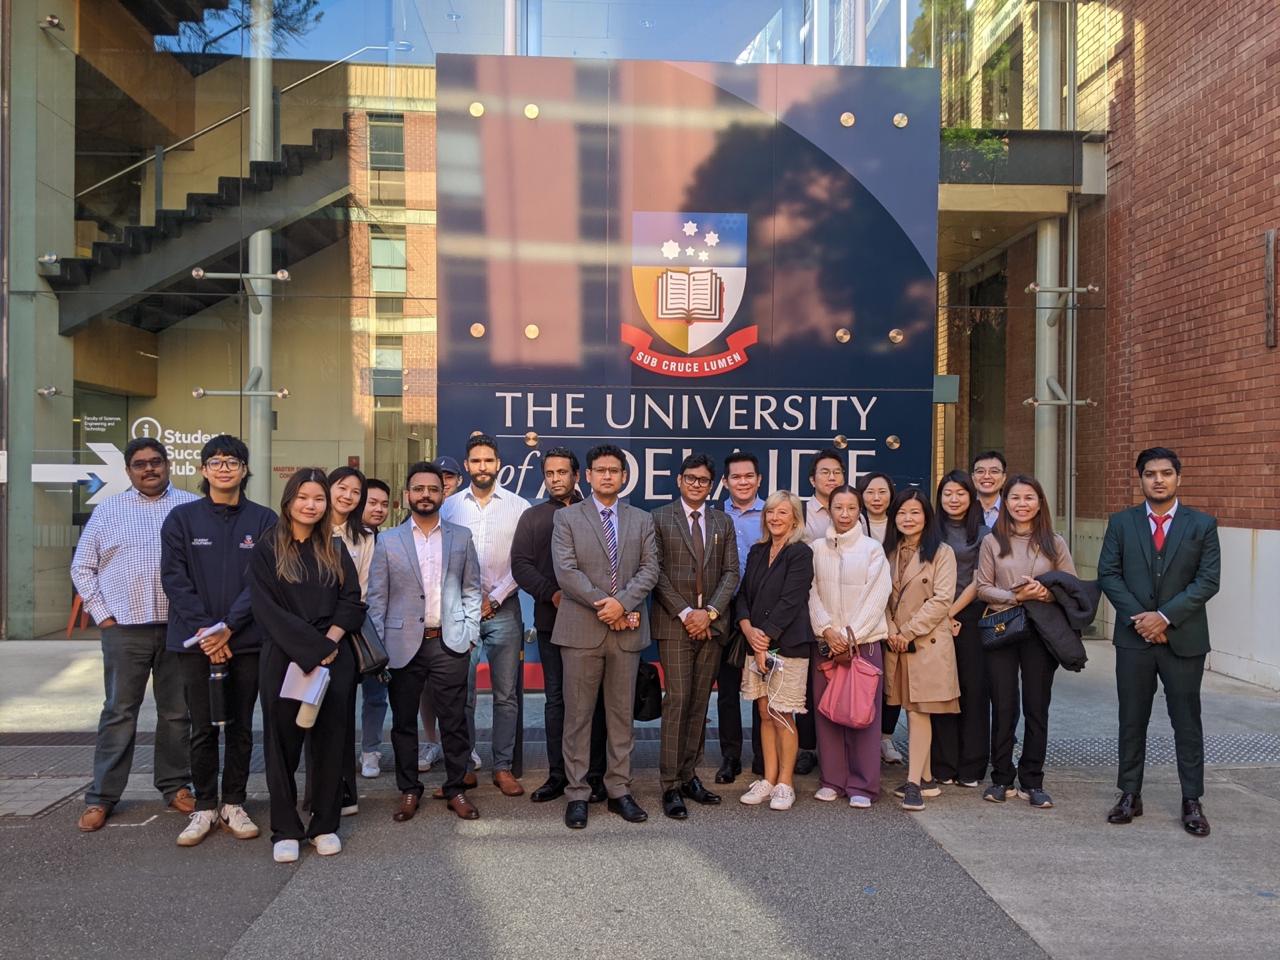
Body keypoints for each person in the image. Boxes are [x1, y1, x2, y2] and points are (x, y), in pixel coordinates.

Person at [71, 438, 198, 833]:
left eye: (156, 462)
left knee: (177, 713)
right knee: (119, 713)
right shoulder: (108, 510)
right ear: (128, 471)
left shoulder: (191, 507)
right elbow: (81, 568)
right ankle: (102, 796)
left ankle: (176, 785)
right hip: (124, 630)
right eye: (140, 464)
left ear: (168, 464)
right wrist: (104, 616)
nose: (149, 469)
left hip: (178, 630)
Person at [1098, 448, 1220, 837]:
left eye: (1166, 473)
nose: (1158, 480)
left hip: (1183, 638)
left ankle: (1192, 800)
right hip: (1134, 640)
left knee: (1187, 721)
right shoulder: (1121, 522)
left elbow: (1207, 581)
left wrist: (1164, 617)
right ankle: (1129, 794)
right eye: (1150, 473)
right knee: (1132, 719)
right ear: (1140, 479)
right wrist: (1143, 620)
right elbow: (1109, 574)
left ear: (1178, 478)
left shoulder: (1202, 525)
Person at [161, 435, 276, 847]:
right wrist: (209, 632)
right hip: (195, 641)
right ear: (203, 469)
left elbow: (262, 581)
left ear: (245, 470)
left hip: (246, 639)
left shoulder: (264, 520)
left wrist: (229, 627)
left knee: (242, 725)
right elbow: (174, 579)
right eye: (216, 460)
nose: (224, 467)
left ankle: (234, 802)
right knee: (202, 726)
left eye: (233, 461)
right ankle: (205, 805)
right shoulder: (181, 518)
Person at [249, 469, 366, 863]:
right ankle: (285, 828)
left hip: (335, 656)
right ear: (288, 500)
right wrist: (312, 648)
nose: (311, 505)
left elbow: (352, 601)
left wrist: (329, 641)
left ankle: (324, 824)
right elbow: (266, 609)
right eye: (303, 497)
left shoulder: (335, 548)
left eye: (318, 498)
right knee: (282, 744)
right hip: (284, 656)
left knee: (332, 742)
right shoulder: (268, 548)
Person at [367, 462, 482, 823]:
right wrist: (382, 647)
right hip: (402, 646)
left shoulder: (461, 537)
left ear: (442, 493)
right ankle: (408, 790)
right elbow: (377, 600)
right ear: (408, 495)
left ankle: (455, 789)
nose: (426, 495)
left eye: (433, 489)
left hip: (449, 643)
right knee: (403, 722)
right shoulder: (387, 540)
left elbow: (472, 589)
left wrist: (469, 632)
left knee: (454, 720)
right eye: (419, 489)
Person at [552, 444, 660, 830]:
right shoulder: (567, 519)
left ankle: (619, 790)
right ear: (587, 476)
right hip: (582, 630)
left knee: (620, 717)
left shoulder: (641, 520)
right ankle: (578, 793)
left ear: (624, 477)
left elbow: (650, 569)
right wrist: (607, 604)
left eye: (614, 470)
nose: (608, 476)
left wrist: (623, 603)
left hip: (626, 632)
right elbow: (566, 572)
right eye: (600, 470)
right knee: (578, 718)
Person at [510, 447, 608, 803]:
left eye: (562, 473)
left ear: (577, 475)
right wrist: (550, 594)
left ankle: (595, 776)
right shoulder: (533, 517)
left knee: (594, 702)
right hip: (553, 622)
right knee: (557, 701)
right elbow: (520, 565)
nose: (555, 479)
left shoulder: (595, 513)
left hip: (595, 623)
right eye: (549, 474)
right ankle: (558, 775)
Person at [975, 473, 1076, 808]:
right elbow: (981, 586)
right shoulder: (993, 541)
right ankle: (1001, 776)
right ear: (1007, 504)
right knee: (1004, 706)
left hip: (1041, 632)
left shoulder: (1054, 542)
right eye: (1015, 498)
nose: (1022, 504)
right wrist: (1015, 596)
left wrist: (1045, 592)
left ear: (1039, 502)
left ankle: (1033, 779)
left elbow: (1071, 585)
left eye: (1028, 498)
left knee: (1037, 705)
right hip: (1003, 628)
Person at [440, 434, 531, 796]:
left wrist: (493, 597)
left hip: (504, 610)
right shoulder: (449, 508)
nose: (482, 467)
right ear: (467, 466)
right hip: (461, 612)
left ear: (498, 465)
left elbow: (524, 562)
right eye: (476, 461)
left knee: (506, 695)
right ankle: (463, 766)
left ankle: (503, 767)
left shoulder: (518, 506)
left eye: (488, 461)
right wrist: (467, 600)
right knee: (462, 694)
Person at [651, 453, 740, 819]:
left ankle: (690, 776)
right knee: (678, 701)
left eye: (703, 480)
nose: (696, 485)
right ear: (679, 480)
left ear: (712, 484)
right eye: (690, 478)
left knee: (700, 703)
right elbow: (655, 573)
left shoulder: (723, 521)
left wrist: (710, 614)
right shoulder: (659, 518)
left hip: (713, 625)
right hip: (676, 624)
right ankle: (670, 784)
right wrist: (688, 613)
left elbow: (732, 572)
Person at [807, 485, 892, 808]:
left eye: (851, 508)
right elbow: (810, 592)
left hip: (864, 644)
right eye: (838, 508)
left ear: (860, 511)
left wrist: (850, 635)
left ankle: (863, 785)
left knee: (862, 715)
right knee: (827, 713)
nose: (844, 514)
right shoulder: (816, 548)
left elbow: (877, 596)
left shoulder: (872, 550)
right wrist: (827, 630)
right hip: (826, 643)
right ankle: (832, 780)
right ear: (829, 510)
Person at [735, 491, 815, 812]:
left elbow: (790, 602)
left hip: (788, 646)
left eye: (783, 513)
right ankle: (767, 780)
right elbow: (743, 596)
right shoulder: (757, 552)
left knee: (783, 715)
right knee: (764, 713)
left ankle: (785, 783)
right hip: (755, 643)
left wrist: (763, 639)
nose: (775, 518)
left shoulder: (801, 553)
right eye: (770, 512)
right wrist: (747, 630)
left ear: (795, 518)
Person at [883, 489, 960, 811]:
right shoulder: (886, 551)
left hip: (925, 642)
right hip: (895, 642)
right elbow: (879, 596)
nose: (908, 519)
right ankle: (926, 777)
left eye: (915, 512)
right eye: (902, 513)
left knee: (919, 711)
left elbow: (942, 600)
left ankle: (913, 783)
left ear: (927, 517)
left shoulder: (942, 552)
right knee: (908, 707)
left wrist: (908, 631)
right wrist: (890, 630)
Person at [930, 470, 991, 788]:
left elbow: (980, 580)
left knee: (972, 690)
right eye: (947, 493)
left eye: (960, 493)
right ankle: (943, 764)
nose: (954, 499)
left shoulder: (983, 535)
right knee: (939, 691)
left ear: (971, 497)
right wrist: (939, 615)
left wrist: (950, 612)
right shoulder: (931, 531)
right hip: (934, 618)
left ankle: (972, 766)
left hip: (969, 617)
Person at [714, 451, 765, 783]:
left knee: (764, 687)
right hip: (727, 610)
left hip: (764, 611)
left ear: (758, 480)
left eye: (749, 476)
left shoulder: (773, 514)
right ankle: (730, 756)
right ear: (726, 482)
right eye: (736, 477)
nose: (743, 482)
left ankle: (764, 756)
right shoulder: (716, 517)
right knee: (728, 689)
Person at [415, 456, 467, 776]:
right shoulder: (405, 528)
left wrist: (469, 624)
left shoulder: (461, 517)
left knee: (457, 694)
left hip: (456, 621)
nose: (442, 485)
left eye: (447, 479)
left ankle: (460, 756)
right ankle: (431, 742)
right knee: (424, 692)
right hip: (419, 628)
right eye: (437, 479)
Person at [328, 467, 374, 804]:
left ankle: (344, 792)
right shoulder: (304, 530)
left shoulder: (365, 537)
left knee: (341, 717)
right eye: (342, 488)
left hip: (344, 637)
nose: (347, 496)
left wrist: (336, 630)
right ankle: (315, 791)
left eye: (355, 492)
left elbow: (364, 591)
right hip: (304, 639)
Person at [857, 471, 904, 765]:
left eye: (882, 492)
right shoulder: (855, 523)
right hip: (864, 612)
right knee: (866, 676)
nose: (876, 498)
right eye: (871, 492)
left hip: (898, 610)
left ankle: (886, 738)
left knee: (893, 677)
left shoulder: (901, 524)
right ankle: (863, 734)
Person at [358, 477, 391, 777]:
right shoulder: (342, 536)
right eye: (372, 502)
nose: (379, 509)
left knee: (376, 693)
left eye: (384, 504)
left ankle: (370, 751)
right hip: (345, 624)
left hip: (377, 626)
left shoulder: (389, 539)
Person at [804, 448, 846, 541]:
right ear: (812, 480)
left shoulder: (855, 515)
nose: (832, 477)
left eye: (837, 472)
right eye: (825, 472)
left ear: (843, 480)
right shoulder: (800, 514)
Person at [970, 451, 1007, 531]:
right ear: (973, 477)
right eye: (980, 471)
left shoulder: (1011, 509)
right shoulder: (963, 508)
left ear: (1004, 477)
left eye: (994, 471)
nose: (986, 476)